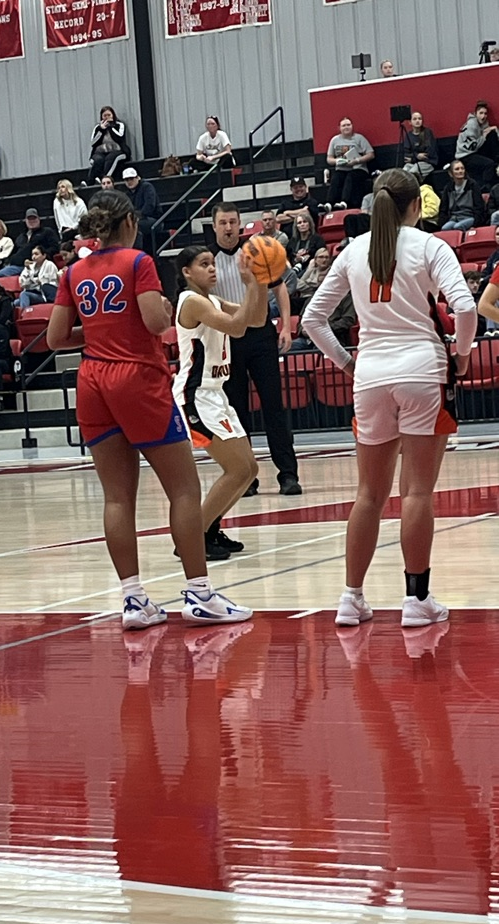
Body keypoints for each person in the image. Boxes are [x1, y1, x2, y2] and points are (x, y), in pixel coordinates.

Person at [48, 189, 252, 627]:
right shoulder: (138, 262)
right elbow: (157, 322)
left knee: (117, 497)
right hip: (136, 378)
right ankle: (199, 593)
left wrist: (102, 331)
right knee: (183, 489)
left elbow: (56, 339)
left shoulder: (73, 271)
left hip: (91, 381)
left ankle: (134, 599)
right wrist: (158, 307)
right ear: (129, 224)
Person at [302, 168, 477, 628]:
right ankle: (416, 599)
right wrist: (460, 357)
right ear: (415, 206)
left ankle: (350, 597)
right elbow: (465, 306)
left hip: (371, 375)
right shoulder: (430, 245)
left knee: (368, 495)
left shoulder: (352, 251)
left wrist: (346, 362)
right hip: (422, 369)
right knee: (417, 491)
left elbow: (312, 319)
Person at [172, 246, 264, 560]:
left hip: (216, 393)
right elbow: (237, 327)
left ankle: (209, 529)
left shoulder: (211, 300)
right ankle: (192, 537)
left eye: (213, 263)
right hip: (195, 395)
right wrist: (250, 284)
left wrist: (261, 281)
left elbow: (256, 318)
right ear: (187, 272)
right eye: (204, 264)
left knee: (249, 469)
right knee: (237, 469)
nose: (212, 269)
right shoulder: (192, 301)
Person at [210, 202, 302, 496]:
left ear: (239, 225)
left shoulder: (255, 252)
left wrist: (286, 326)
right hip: (227, 339)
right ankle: (246, 477)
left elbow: (280, 288)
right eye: (222, 222)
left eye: (232, 222)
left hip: (261, 335)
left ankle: (288, 475)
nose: (228, 228)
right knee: (236, 411)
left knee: (274, 406)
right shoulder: (208, 261)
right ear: (214, 226)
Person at [325, 118, 375, 209]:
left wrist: (357, 160)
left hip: (358, 168)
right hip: (341, 168)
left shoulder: (359, 138)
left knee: (350, 177)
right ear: (339, 128)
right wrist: (337, 161)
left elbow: (371, 154)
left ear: (352, 126)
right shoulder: (334, 140)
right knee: (336, 178)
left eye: (348, 125)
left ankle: (344, 202)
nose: (346, 127)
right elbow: (329, 158)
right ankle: (329, 203)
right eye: (344, 125)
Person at [0, 208, 59, 277]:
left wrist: (38, 258)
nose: (32, 221)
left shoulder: (47, 232)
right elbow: (13, 254)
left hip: (38, 266)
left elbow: (55, 248)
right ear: (25, 221)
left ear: (39, 219)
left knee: (0, 274)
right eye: (29, 219)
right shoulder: (21, 237)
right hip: (18, 265)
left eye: (34, 218)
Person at [455, 100, 499, 190]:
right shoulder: (472, 124)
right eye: (481, 113)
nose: (483, 116)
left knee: (492, 134)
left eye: (485, 114)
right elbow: (472, 146)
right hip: (465, 155)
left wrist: (494, 129)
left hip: (476, 151)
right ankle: (486, 188)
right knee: (489, 164)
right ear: (475, 114)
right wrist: (483, 136)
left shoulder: (483, 124)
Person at [86, 106, 130, 185]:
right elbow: (93, 142)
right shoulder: (97, 128)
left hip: (117, 150)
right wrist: (101, 130)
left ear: (113, 115)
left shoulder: (119, 125)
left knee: (110, 159)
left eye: (109, 115)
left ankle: (104, 179)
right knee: (98, 160)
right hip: (101, 151)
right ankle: (90, 181)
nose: (107, 117)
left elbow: (120, 138)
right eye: (105, 116)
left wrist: (110, 127)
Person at [122, 168, 162, 252]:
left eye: (131, 178)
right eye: (126, 180)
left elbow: (150, 206)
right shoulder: (127, 194)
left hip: (154, 219)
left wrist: (136, 216)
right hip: (138, 219)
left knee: (134, 226)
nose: (129, 181)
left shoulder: (147, 187)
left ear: (137, 178)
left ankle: (137, 252)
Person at [438, 160, 484, 231]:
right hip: (454, 218)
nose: (460, 171)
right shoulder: (448, 188)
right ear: (451, 173)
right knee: (445, 228)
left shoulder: (473, 185)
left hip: (470, 217)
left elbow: (479, 207)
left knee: (458, 227)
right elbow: (443, 209)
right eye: (457, 169)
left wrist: (475, 224)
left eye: (462, 168)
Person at [402, 111, 438, 180]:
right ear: (410, 122)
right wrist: (417, 156)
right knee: (404, 172)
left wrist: (413, 157)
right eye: (415, 119)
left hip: (428, 163)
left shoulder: (427, 133)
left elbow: (428, 153)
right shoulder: (408, 135)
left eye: (419, 119)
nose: (417, 121)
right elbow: (407, 155)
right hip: (413, 162)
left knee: (413, 172)